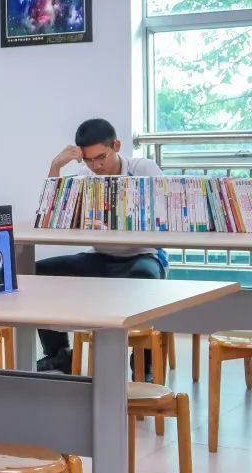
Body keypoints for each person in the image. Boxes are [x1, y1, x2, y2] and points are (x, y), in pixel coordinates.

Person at [37, 118, 168, 374]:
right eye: (88, 160)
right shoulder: (87, 178)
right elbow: (52, 213)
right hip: (100, 257)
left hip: (143, 256)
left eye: (101, 158)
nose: (96, 166)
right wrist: (56, 166)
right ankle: (59, 353)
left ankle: (144, 363)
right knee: (39, 272)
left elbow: (168, 208)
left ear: (116, 146)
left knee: (144, 279)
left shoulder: (143, 169)